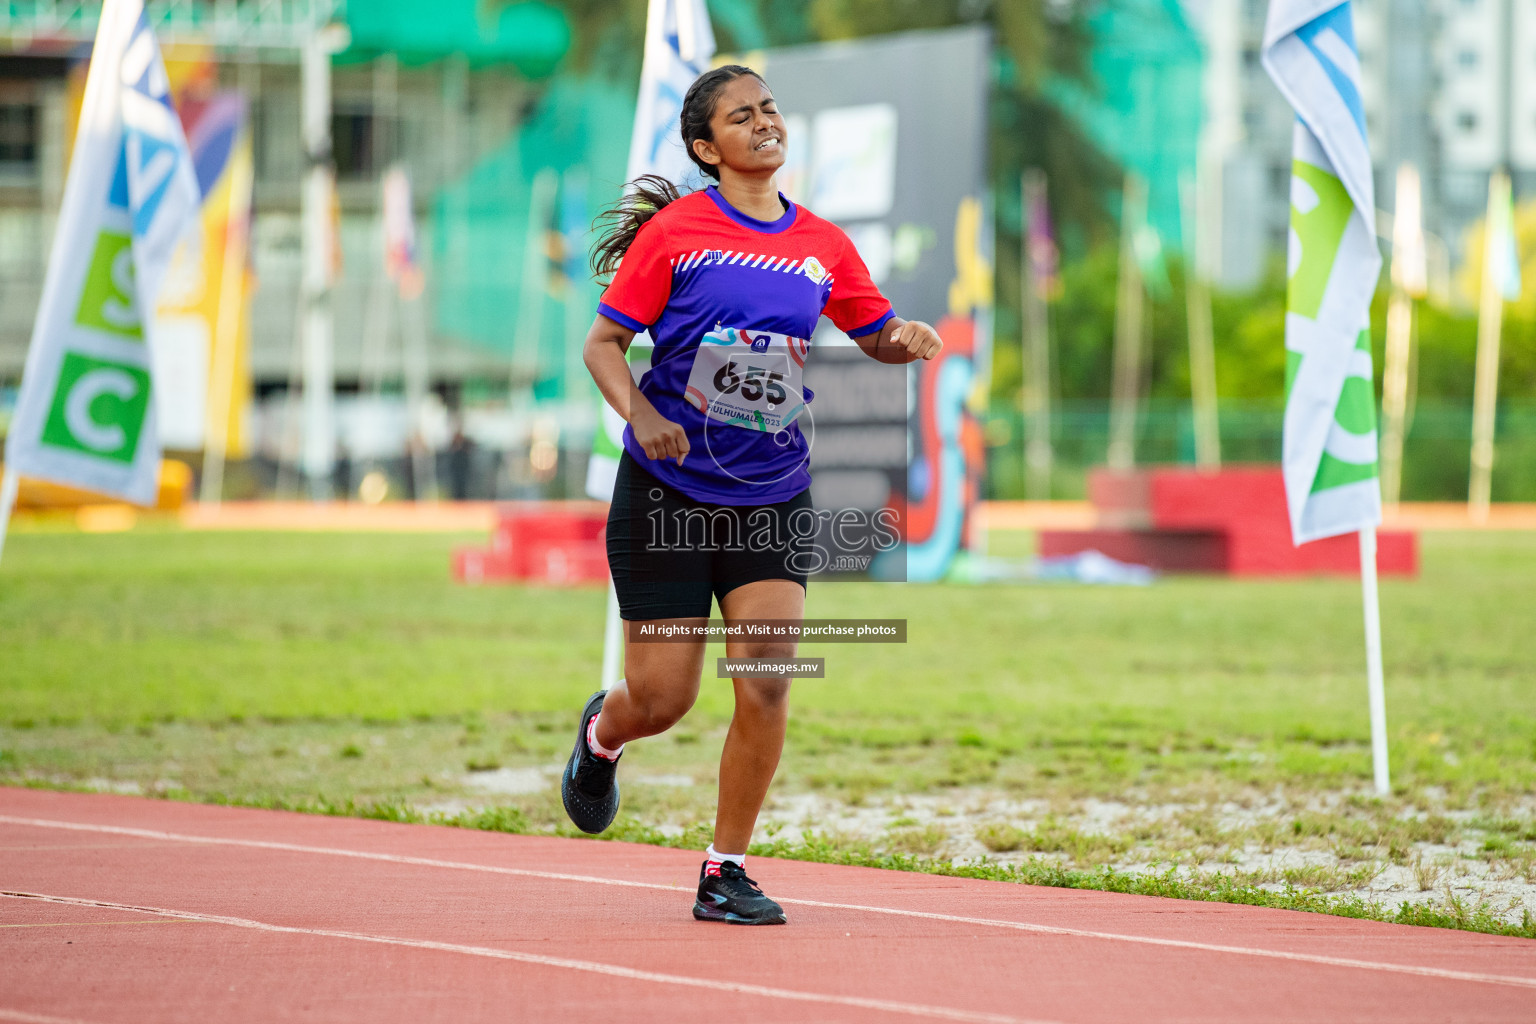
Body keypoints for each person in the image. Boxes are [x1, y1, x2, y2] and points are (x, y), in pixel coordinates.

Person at [564, 65, 942, 925]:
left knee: (766, 683)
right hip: (666, 489)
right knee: (665, 699)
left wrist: (903, 338)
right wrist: (642, 416)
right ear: (708, 147)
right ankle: (602, 738)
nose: (765, 122)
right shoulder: (677, 234)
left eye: (770, 108)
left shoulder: (824, 243)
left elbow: (871, 330)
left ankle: (723, 870)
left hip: (771, 492)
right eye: (743, 116)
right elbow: (602, 345)